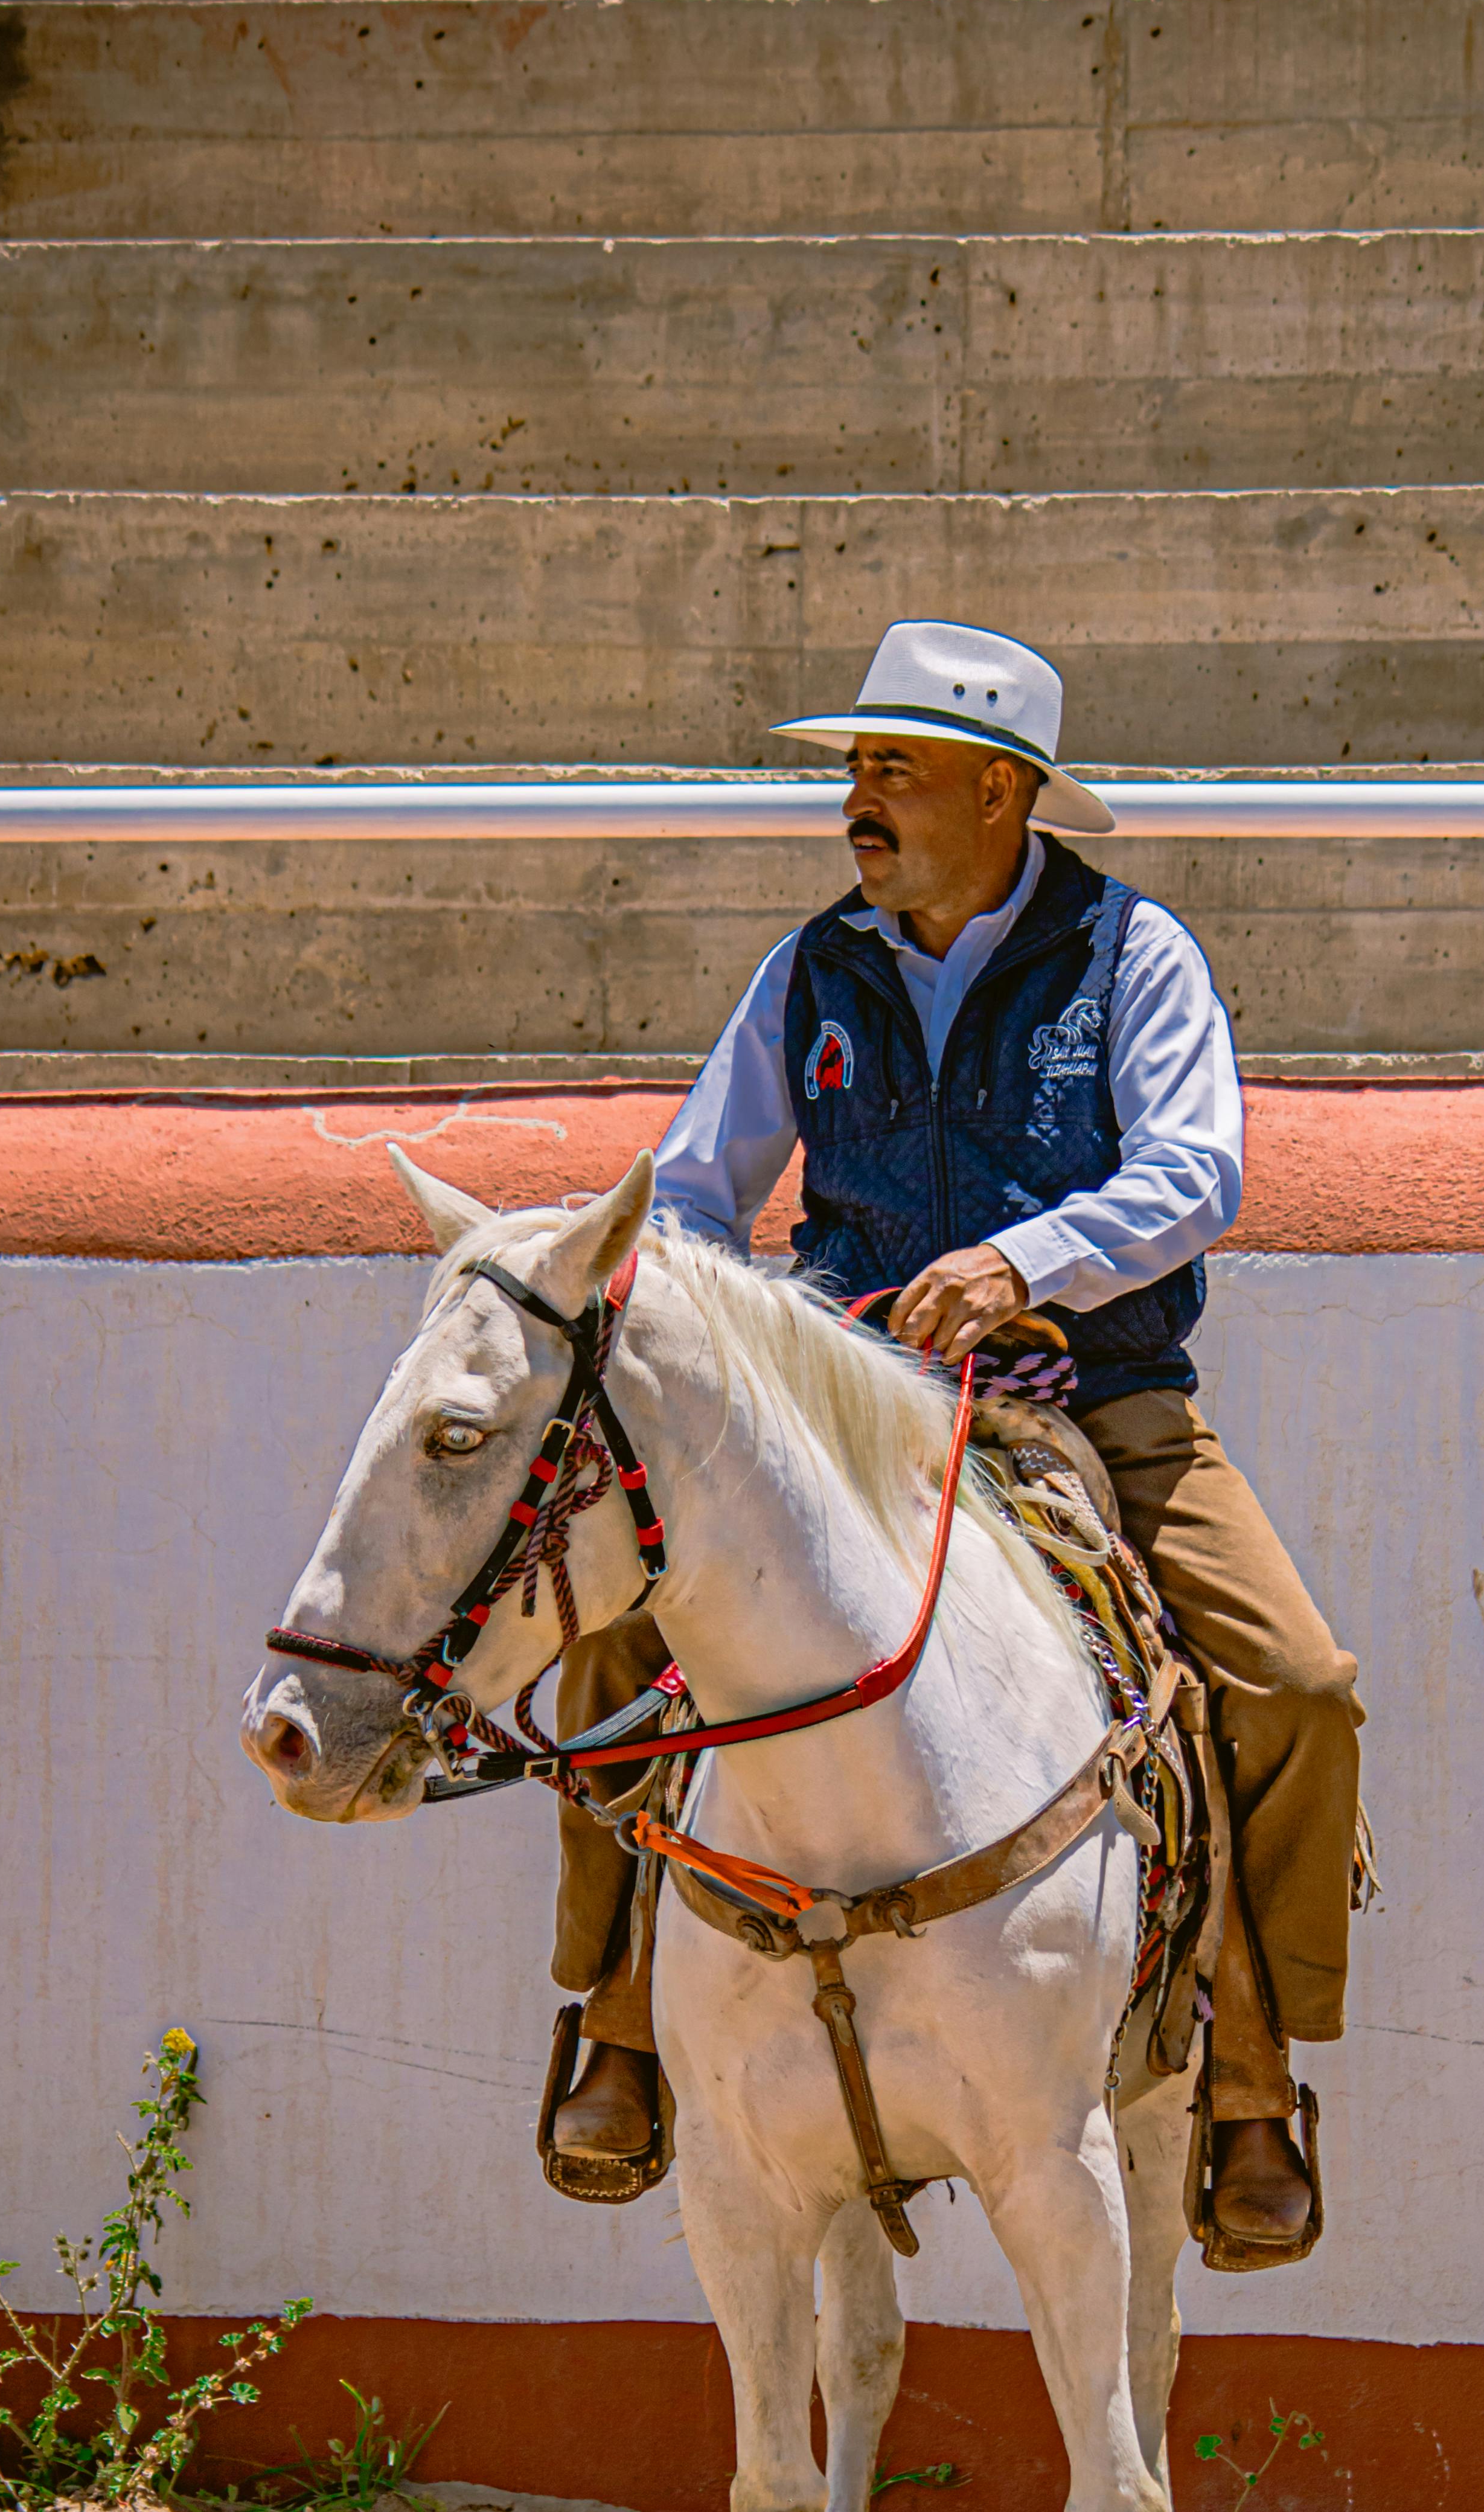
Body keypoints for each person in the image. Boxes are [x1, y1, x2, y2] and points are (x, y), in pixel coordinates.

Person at [546, 618, 1363, 2263]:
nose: (859, 800)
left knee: (1294, 1684)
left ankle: (1253, 2077)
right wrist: (737, 1323)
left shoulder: (1133, 957)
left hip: (1095, 1398)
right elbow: (699, 1184)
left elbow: (1197, 1172)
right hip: (846, 1411)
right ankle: (620, 2018)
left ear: (1004, 794)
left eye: (891, 768)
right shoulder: (810, 972)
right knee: (613, 1641)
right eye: (855, 770)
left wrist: (1021, 1266)